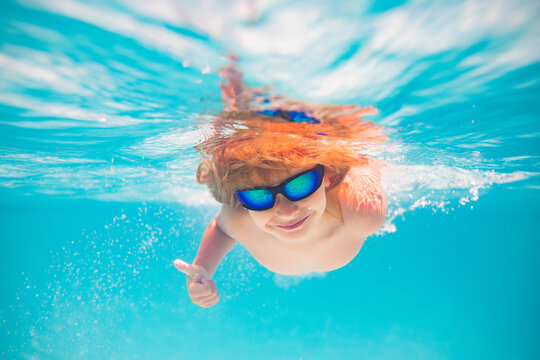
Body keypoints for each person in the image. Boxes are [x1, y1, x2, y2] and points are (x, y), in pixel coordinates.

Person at [174, 58, 387, 308]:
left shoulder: (361, 211)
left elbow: (365, 163)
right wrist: (202, 269)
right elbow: (221, 228)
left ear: (328, 174)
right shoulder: (240, 219)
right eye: (259, 197)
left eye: (299, 185)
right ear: (242, 200)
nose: (285, 212)